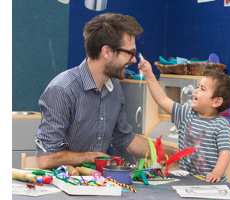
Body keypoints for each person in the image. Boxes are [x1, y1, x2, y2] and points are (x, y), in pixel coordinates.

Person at [35, 13, 178, 169]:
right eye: (130, 53)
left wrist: (174, 153)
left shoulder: (114, 87)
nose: (134, 60)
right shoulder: (62, 90)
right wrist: (91, 156)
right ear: (107, 52)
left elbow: (124, 139)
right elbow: (46, 159)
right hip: (64, 185)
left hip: (97, 184)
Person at [138, 61, 230, 182]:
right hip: (187, 180)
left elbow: (225, 153)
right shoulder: (186, 114)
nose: (196, 91)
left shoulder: (221, 125)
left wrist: (216, 173)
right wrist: (149, 74)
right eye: (198, 86)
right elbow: (162, 99)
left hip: (211, 184)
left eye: (202, 89)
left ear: (216, 102)